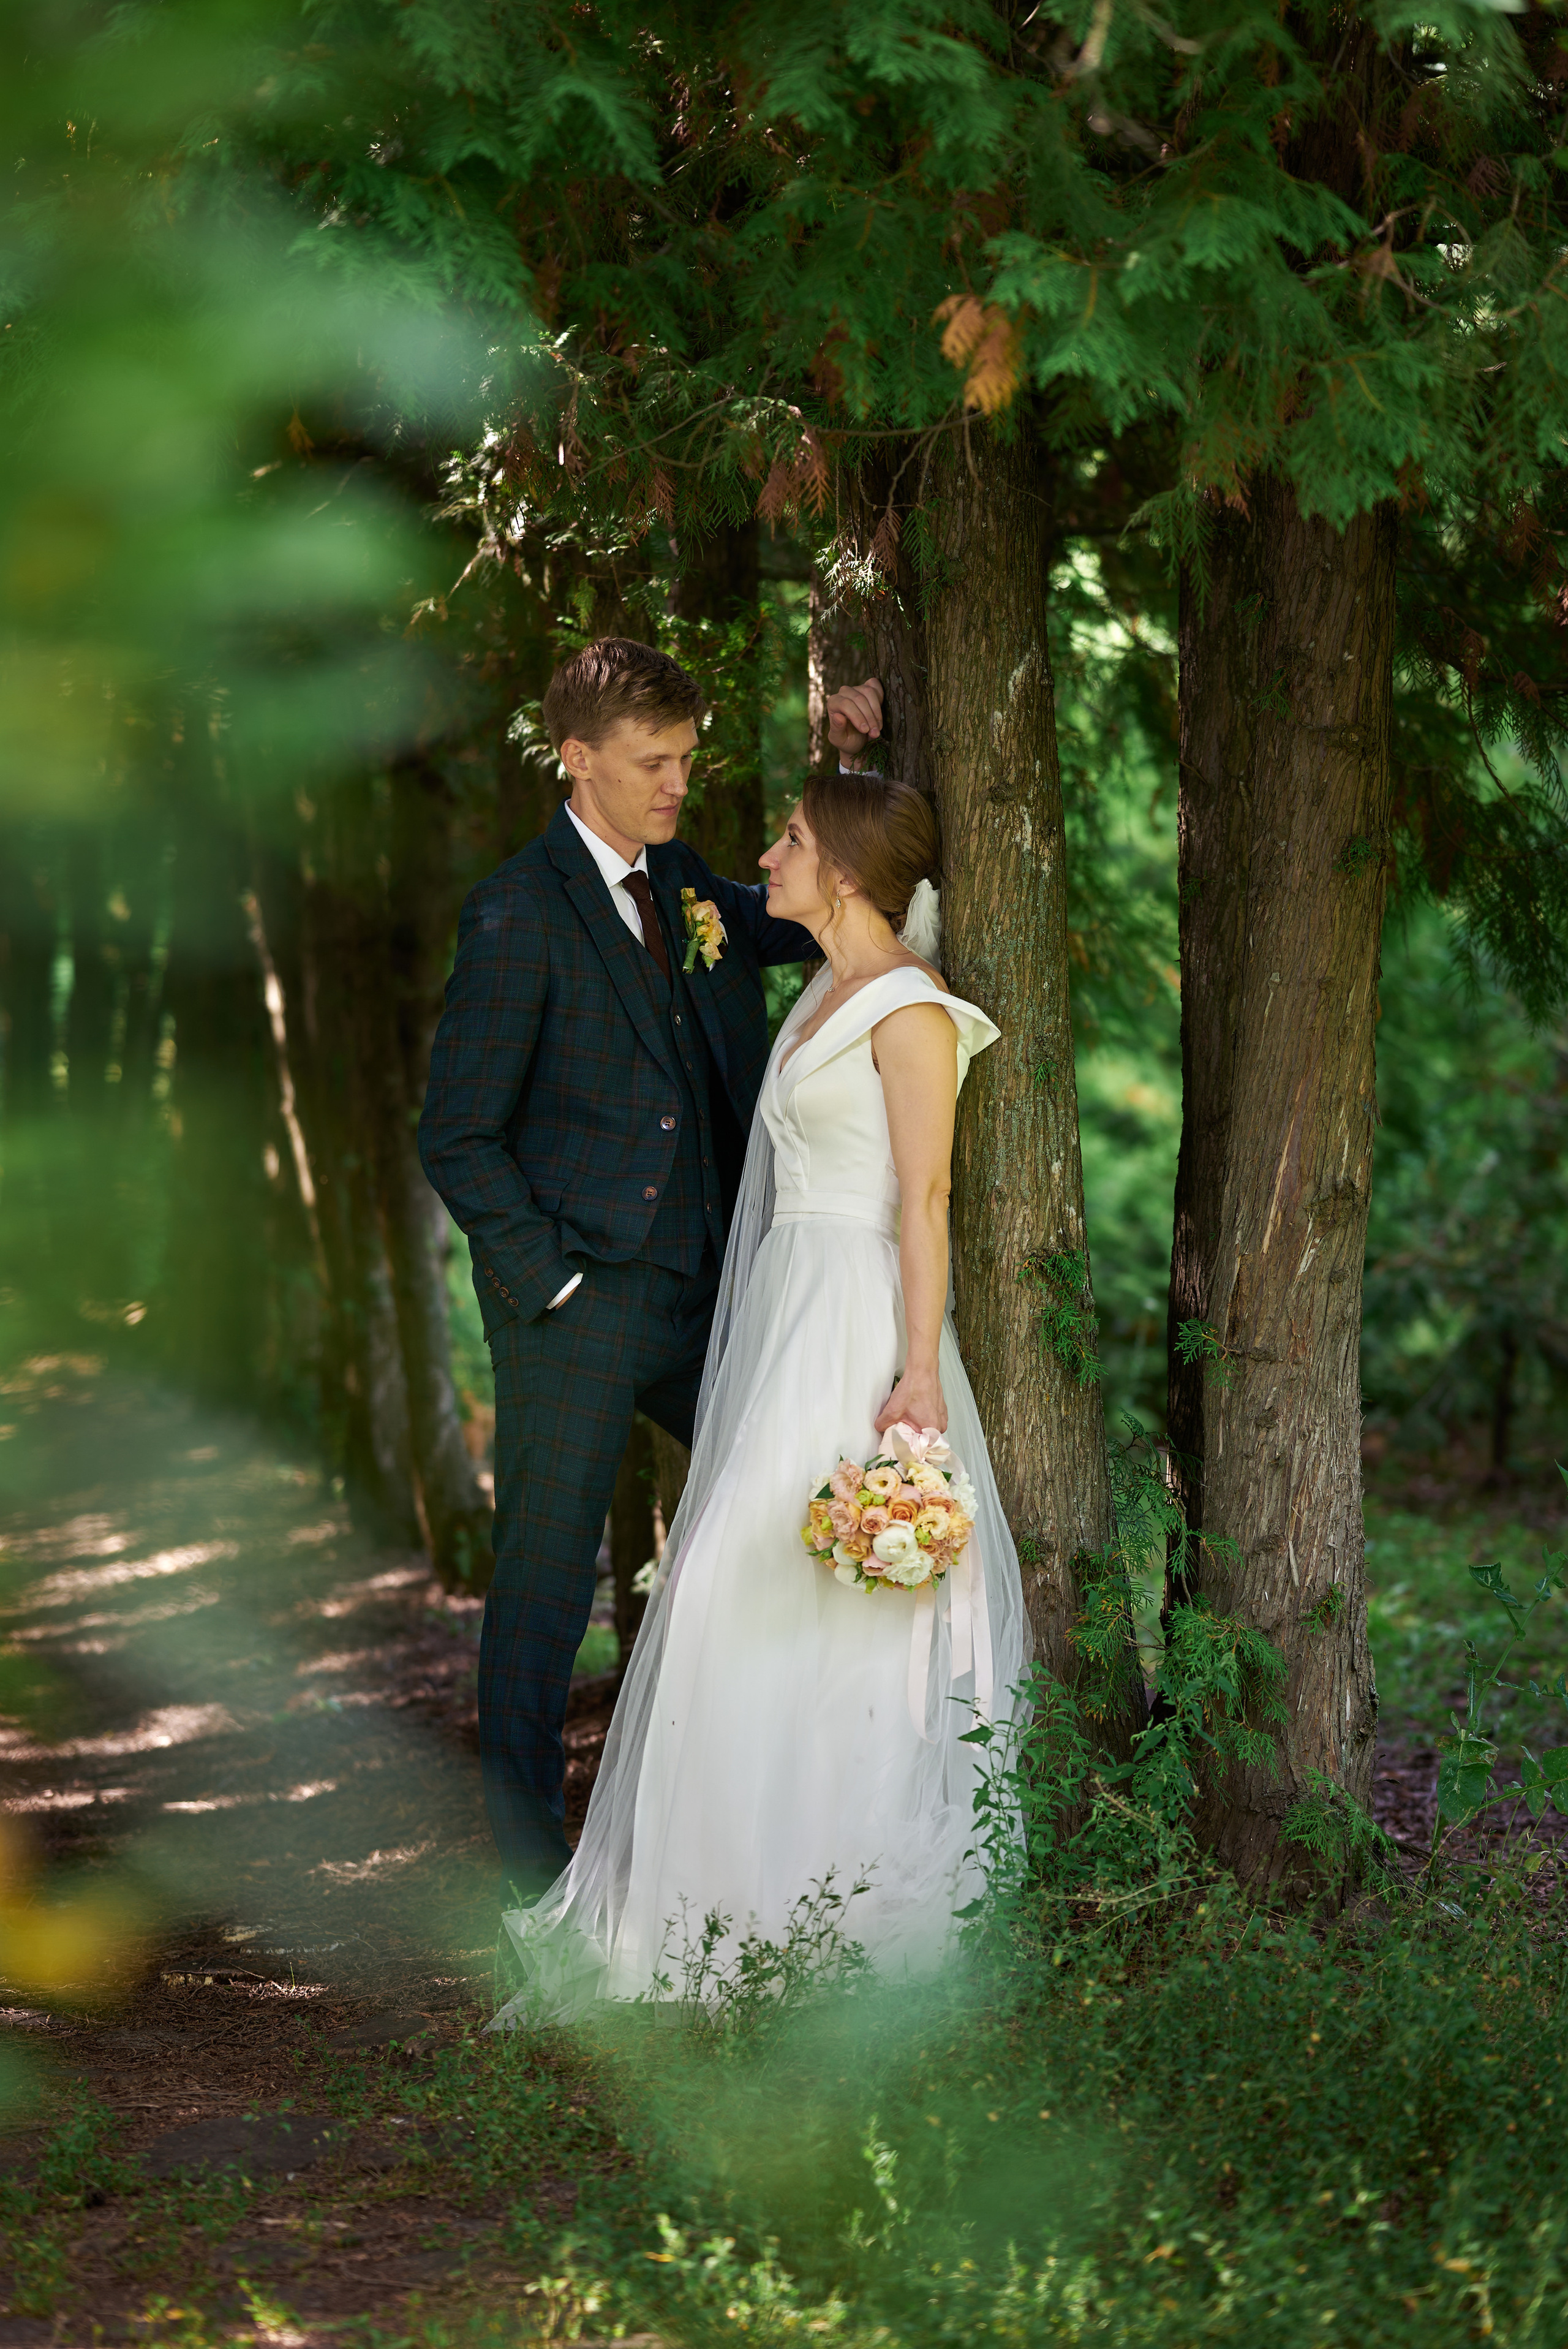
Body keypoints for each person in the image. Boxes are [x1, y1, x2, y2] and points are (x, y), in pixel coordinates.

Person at [494, 768, 1029, 2020]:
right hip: (786, 1311)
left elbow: (926, 1199)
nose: (766, 856)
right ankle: (718, 1897)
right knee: (742, 1584)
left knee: (836, 1603)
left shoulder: (908, 1011)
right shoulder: (819, 989)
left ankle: (824, 1901)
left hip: (854, 1319)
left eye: (789, 838)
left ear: (841, 871)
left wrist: (911, 1372)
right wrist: (857, 726)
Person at [418, 637, 888, 1897]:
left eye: (685, 759)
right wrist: (551, 1283)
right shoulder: (516, 912)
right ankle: (529, 1889)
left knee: (792, 1517)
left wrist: (857, 768)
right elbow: (455, 1132)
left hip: (706, 1303)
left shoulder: (685, 885)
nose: (676, 783)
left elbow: (807, 919)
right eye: (650, 763)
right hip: (574, 1308)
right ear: (574, 760)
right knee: (540, 1586)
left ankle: (761, 1839)